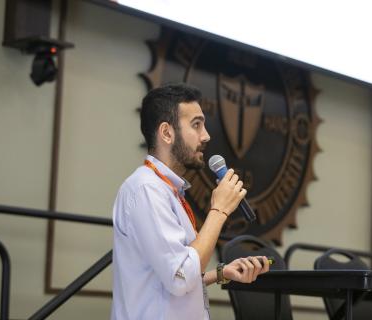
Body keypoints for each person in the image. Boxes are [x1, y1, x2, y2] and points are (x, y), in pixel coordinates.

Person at [111, 83, 270, 320]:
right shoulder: (146, 189)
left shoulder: (168, 190)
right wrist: (219, 210)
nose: (206, 135)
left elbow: (169, 275)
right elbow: (180, 277)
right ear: (166, 133)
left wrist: (221, 273)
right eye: (196, 124)